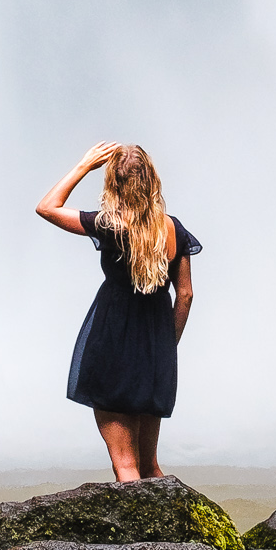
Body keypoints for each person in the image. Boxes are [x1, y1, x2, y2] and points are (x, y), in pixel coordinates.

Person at [35, 139, 200, 482]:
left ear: (113, 182)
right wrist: (167, 345)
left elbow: (47, 207)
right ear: (152, 180)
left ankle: (142, 538)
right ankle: (171, 534)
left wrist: (84, 165)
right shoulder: (173, 229)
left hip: (113, 343)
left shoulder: (109, 226)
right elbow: (184, 296)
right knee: (149, 465)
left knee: (125, 464)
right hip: (156, 347)